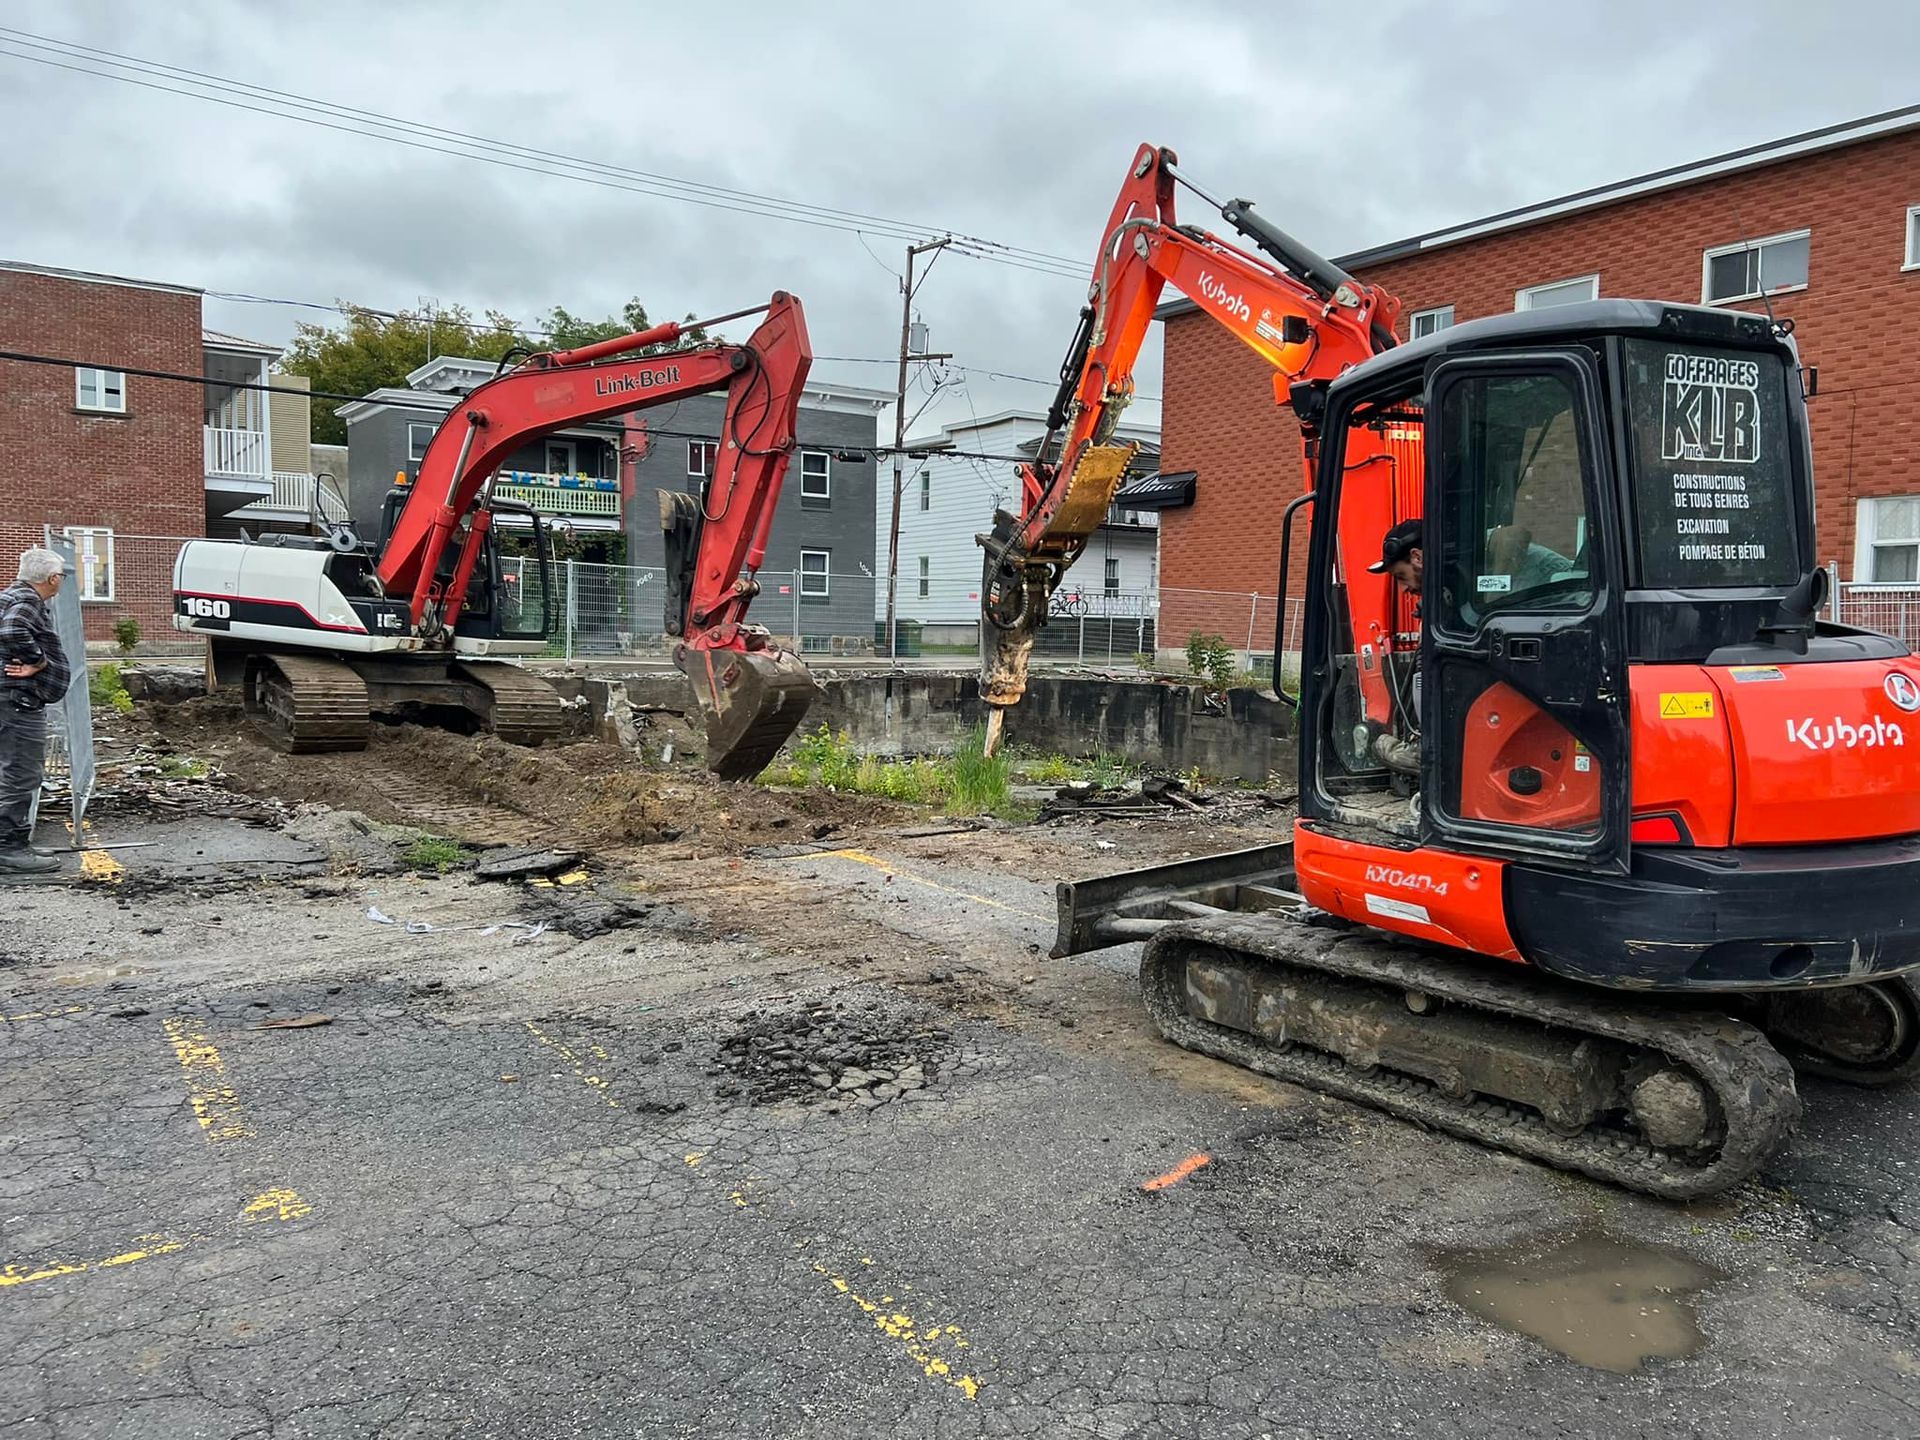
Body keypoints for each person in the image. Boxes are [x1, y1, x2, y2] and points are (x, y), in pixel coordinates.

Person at [0, 548, 73, 873]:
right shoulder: (28, 601)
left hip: (10, 699)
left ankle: (15, 842)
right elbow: (14, 630)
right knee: (22, 773)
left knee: (12, 770)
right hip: (18, 701)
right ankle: (9, 849)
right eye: (62, 575)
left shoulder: (10, 595)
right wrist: (38, 662)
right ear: (52, 579)